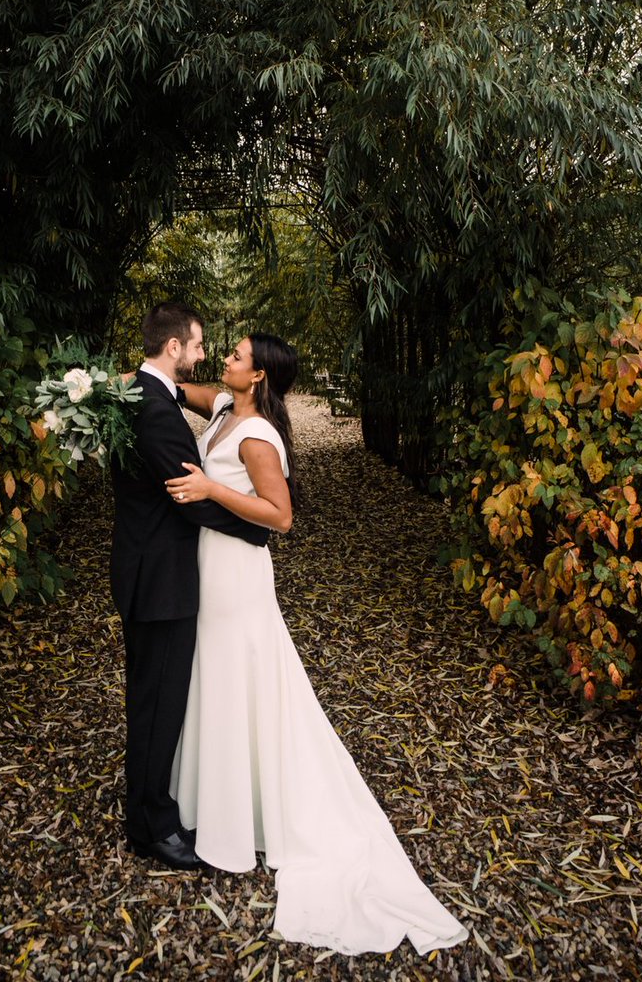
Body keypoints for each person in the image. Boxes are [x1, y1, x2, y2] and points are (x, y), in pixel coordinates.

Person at [164, 333, 468, 955]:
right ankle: (219, 800)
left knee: (235, 675)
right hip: (211, 567)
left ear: (260, 378)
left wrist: (208, 489)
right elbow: (179, 388)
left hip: (236, 575)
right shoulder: (226, 408)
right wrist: (137, 381)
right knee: (218, 678)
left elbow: (280, 516)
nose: (227, 357)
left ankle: (244, 818)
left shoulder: (256, 438)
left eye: (239, 356)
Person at [110, 302, 270, 871]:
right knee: (157, 703)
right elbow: (188, 493)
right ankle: (150, 825)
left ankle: (149, 804)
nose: (204, 355)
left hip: (147, 569)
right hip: (161, 581)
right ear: (173, 347)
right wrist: (254, 531)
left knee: (154, 697)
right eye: (199, 345)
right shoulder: (152, 408)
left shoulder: (140, 394)